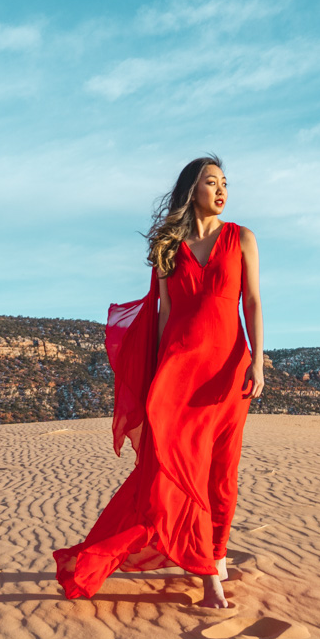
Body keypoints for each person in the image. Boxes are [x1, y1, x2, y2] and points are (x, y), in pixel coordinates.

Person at [54, 156, 264, 609]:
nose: (222, 190)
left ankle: (217, 554)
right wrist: (153, 374)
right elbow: (164, 313)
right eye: (212, 182)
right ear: (193, 190)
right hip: (179, 372)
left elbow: (251, 301)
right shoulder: (171, 246)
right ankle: (209, 578)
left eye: (225, 183)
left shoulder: (242, 238)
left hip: (229, 371)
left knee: (222, 474)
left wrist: (258, 361)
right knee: (180, 468)